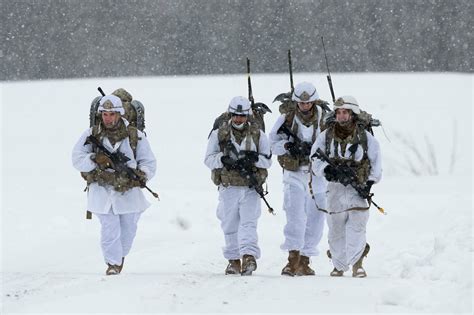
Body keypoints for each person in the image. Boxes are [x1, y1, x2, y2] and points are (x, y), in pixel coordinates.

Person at [72, 94, 156, 275]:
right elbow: (77, 159)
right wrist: (94, 158)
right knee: (109, 228)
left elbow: (149, 162)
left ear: (119, 114)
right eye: (104, 114)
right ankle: (113, 264)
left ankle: (119, 256)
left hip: (128, 192)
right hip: (101, 190)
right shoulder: (91, 134)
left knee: (128, 231)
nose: (107, 118)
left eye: (111, 114)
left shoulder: (135, 135)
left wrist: (141, 176)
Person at [311, 95, 382, 278]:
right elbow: (315, 158)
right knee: (335, 227)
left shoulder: (365, 137)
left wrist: (368, 184)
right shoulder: (325, 136)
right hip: (334, 188)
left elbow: (376, 162)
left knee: (356, 227)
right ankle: (338, 265)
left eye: (345, 112)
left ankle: (357, 264)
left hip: (356, 187)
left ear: (352, 114)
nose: (342, 116)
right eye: (339, 112)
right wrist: (327, 170)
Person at [204, 96, 272, 276]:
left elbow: (268, 160)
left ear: (248, 116)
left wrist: (254, 159)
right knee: (229, 224)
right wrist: (223, 159)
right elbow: (208, 159)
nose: (238, 120)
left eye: (242, 116)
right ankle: (233, 260)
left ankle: (248, 257)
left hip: (250, 187)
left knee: (249, 223)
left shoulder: (258, 134)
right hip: (228, 186)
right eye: (235, 115)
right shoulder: (219, 133)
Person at [269, 82, 327, 276]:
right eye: (301, 103)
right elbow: (271, 143)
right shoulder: (287, 118)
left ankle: (305, 259)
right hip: (293, 173)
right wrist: (288, 146)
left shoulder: (325, 119)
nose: (305, 106)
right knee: (294, 216)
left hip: (317, 174)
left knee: (316, 218)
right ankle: (292, 259)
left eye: (308, 102)